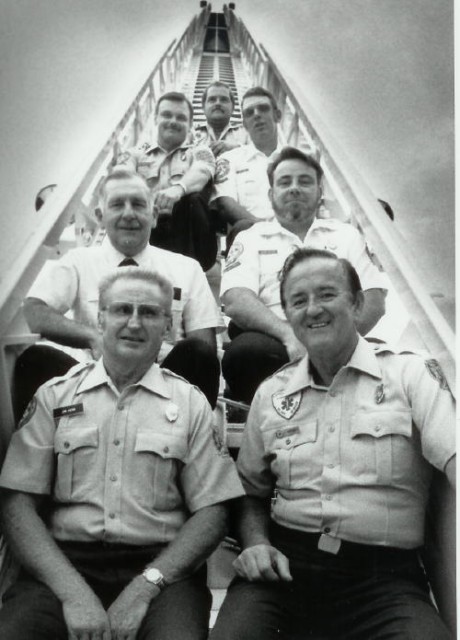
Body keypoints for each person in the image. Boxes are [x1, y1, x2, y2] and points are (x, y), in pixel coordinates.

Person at [211, 247, 456, 640]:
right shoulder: (272, 395)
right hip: (286, 570)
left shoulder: (410, 375)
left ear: (357, 304)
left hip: (384, 580)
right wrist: (256, 543)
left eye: (327, 295)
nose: (313, 310)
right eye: (298, 301)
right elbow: (250, 494)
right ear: (287, 315)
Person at [0, 267, 244, 640]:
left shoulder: (191, 404)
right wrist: (73, 593)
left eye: (148, 313)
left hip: (163, 571)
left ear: (167, 327)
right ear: (100, 319)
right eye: (121, 310)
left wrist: (145, 587)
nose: (134, 322)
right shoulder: (54, 397)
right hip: (63, 564)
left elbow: (213, 512)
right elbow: (18, 504)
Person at [23, 169, 222, 408]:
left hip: (165, 389)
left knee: (199, 355)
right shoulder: (78, 261)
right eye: (117, 205)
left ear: (155, 215)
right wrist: (94, 338)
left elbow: (204, 346)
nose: (129, 214)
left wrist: (152, 355)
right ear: (100, 215)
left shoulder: (187, 268)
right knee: (35, 360)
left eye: (138, 205)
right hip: (92, 384)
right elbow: (35, 312)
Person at [221, 147, 387, 404]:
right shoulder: (250, 237)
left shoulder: (345, 235)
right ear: (271, 193)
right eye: (285, 182)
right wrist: (290, 335)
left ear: (320, 193)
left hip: (342, 339)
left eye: (305, 181)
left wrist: (337, 342)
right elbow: (235, 299)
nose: (294, 188)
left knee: (388, 361)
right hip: (276, 342)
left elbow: (374, 299)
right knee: (245, 353)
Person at [115, 91, 217, 271]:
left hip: (189, 240)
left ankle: (184, 274)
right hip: (148, 227)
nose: (173, 121)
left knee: (193, 199)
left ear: (190, 123)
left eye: (181, 117)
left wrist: (177, 190)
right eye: (167, 115)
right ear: (156, 118)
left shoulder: (200, 151)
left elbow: (202, 171)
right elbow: (121, 175)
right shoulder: (136, 153)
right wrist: (148, 200)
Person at [209, 86, 286, 227]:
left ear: (277, 115)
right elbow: (226, 203)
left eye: (263, 109)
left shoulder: (296, 159)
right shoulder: (230, 159)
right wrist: (266, 230)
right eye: (249, 113)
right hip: (250, 236)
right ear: (244, 124)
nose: (256, 115)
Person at [193, 80, 248, 157]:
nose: (218, 103)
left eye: (224, 99)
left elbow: (260, 155)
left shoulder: (246, 134)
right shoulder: (191, 135)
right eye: (212, 99)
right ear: (203, 107)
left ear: (233, 107)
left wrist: (237, 149)